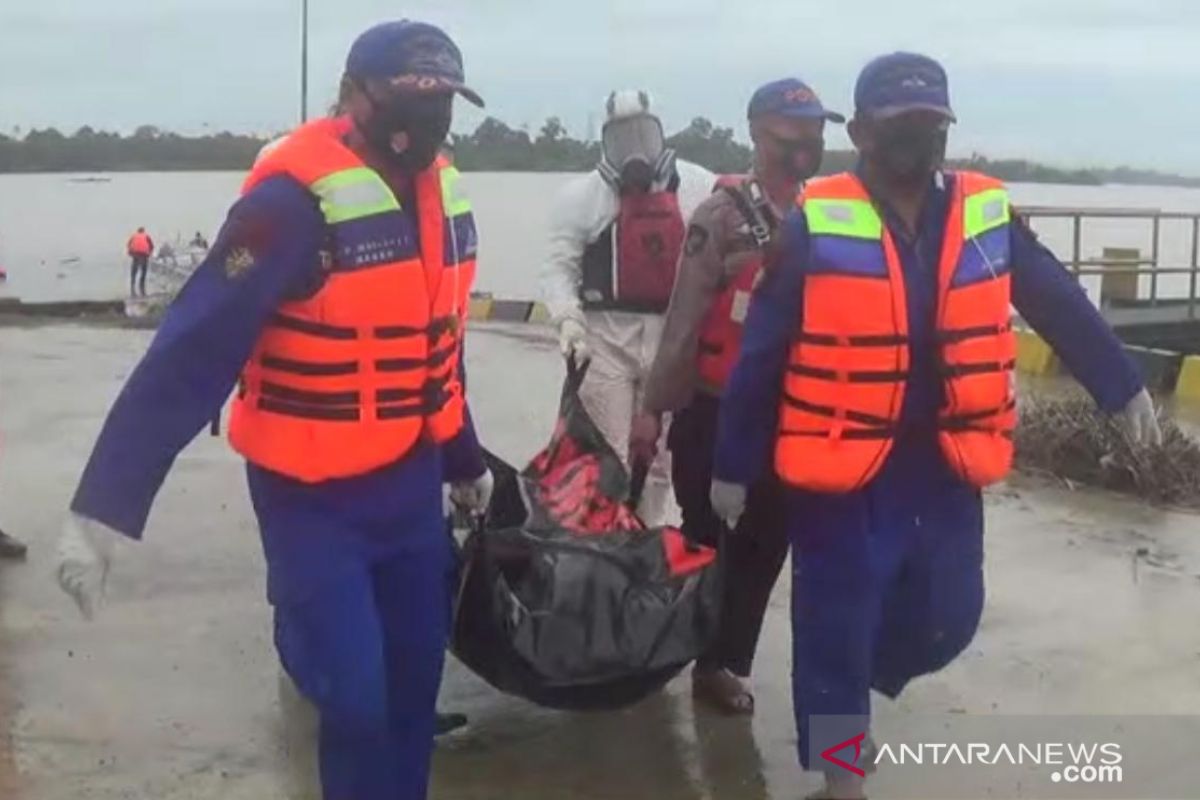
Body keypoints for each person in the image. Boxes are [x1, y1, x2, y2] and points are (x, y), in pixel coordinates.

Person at [54, 20, 492, 800]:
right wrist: (102, 511)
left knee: (411, 695)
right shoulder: (290, 209)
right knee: (352, 699)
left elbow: (435, 345)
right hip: (310, 502)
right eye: (410, 99)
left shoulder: (440, 200)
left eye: (444, 103)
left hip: (410, 489)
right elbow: (193, 349)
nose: (427, 122)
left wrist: (465, 461)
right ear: (355, 96)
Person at [710, 53, 1161, 800]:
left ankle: (860, 687)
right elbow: (762, 352)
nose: (919, 140)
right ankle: (840, 772)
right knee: (834, 631)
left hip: (945, 466)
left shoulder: (984, 213)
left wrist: (1121, 386)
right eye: (901, 126)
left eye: (931, 125)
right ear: (859, 131)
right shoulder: (814, 221)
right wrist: (733, 462)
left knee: (950, 617)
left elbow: (1054, 297)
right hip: (842, 473)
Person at [632, 78, 843, 715]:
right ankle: (689, 650)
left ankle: (723, 660)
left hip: (792, 414)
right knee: (705, 538)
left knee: (766, 542)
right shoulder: (719, 217)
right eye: (791, 131)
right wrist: (652, 410)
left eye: (814, 133)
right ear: (757, 132)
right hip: (715, 410)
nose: (805, 144)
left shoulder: (826, 214)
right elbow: (685, 318)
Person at [541, 90, 715, 525]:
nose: (634, 147)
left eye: (643, 133)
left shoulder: (698, 186)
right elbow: (559, 268)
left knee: (656, 464)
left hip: (671, 339)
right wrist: (568, 321)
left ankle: (645, 540)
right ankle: (600, 544)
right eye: (622, 136)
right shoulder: (580, 198)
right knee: (604, 455)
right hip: (604, 337)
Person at [126, 226, 154, 297]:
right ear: (143, 231)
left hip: (135, 255)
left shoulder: (133, 236)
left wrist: (130, 253)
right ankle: (142, 289)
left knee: (134, 272)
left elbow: (128, 245)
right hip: (144, 255)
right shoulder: (146, 236)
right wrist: (149, 254)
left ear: (137, 231)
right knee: (143, 272)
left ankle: (132, 289)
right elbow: (152, 246)